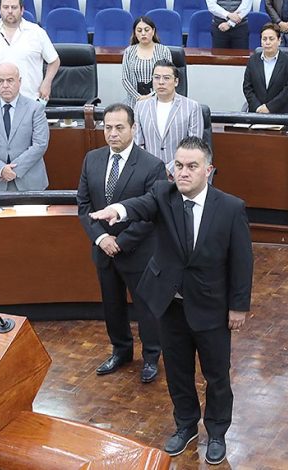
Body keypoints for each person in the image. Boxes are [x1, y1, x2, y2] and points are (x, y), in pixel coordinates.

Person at [89, 136, 253, 465]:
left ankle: (217, 431)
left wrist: (239, 306)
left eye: (192, 166)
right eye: (178, 166)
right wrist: (116, 210)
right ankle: (186, 425)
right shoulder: (164, 196)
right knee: (177, 372)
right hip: (170, 305)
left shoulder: (231, 207)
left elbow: (242, 260)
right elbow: (140, 205)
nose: (183, 172)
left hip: (211, 308)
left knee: (217, 375)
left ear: (209, 169)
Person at [77, 103, 167, 382]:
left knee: (146, 308)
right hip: (104, 250)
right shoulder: (92, 159)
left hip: (137, 252)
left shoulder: (152, 165)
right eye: (108, 127)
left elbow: (154, 211)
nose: (112, 133)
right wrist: (102, 238)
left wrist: (122, 241)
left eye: (119, 128)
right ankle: (121, 351)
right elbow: (84, 204)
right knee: (112, 304)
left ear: (133, 129)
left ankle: (151, 357)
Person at [0, 63, 49, 191]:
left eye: (10, 80)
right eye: (0, 81)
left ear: (19, 81)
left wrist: (14, 170)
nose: (5, 85)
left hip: (30, 183)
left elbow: (40, 144)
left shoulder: (35, 109)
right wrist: (1, 169)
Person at [0, 0, 60, 102]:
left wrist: (47, 83)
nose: (10, 11)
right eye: (5, 7)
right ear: (0, 10)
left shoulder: (37, 32)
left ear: (22, 10)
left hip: (32, 101)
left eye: (14, 7)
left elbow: (54, 61)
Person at [134, 60, 204, 176]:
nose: (161, 82)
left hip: (181, 173)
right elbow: (138, 144)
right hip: (148, 173)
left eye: (166, 78)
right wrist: (152, 169)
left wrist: (170, 169)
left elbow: (193, 145)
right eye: (156, 78)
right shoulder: (140, 107)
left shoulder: (192, 107)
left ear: (176, 81)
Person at [243, 23, 288, 114]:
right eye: (264, 39)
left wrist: (269, 108)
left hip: (280, 115)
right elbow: (247, 87)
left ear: (279, 40)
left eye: (271, 39)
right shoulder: (253, 60)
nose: (267, 42)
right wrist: (257, 107)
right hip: (256, 113)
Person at [121, 16, 172, 109]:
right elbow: (125, 79)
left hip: (159, 100)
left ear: (153, 31)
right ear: (135, 33)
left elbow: (168, 77)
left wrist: (151, 96)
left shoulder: (164, 50)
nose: (143, 33)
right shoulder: (129, 51)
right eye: (139, 31)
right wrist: (138, 97)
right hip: (134, 102)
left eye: (146, 30)